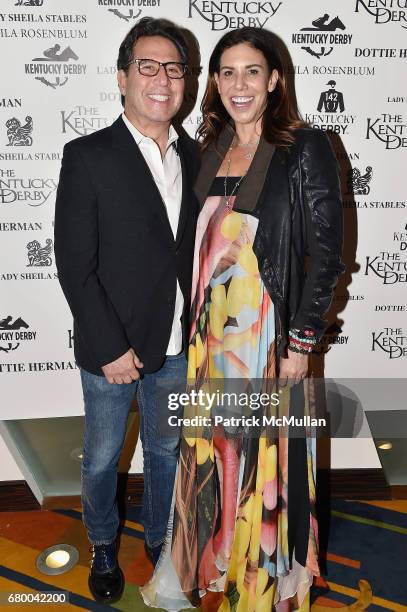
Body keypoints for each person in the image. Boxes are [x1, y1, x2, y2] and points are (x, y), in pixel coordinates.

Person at [141, 26, 344, 612]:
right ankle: (220, 563)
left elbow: (326, 254)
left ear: (275, 79)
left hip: (266, 337)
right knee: (216, 453)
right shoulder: (206, 149)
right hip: (209, 340)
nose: (238, 84)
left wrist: (301, 341)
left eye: (251, 71)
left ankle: (260, 587)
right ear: (215, 83)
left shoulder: (305, 148)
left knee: (264, 458)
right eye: (226, 72)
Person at [54, 17, 199, 604]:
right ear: (121, 77)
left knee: (166, 452)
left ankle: (161, 543)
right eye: (147, 66)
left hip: (177, 345)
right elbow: (74, 263)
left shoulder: (202, 155)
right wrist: (110, 346)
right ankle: (104, 544)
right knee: (102, 459)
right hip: (109, 348)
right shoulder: (88, 155)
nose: (162, 79)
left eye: (173, 68)